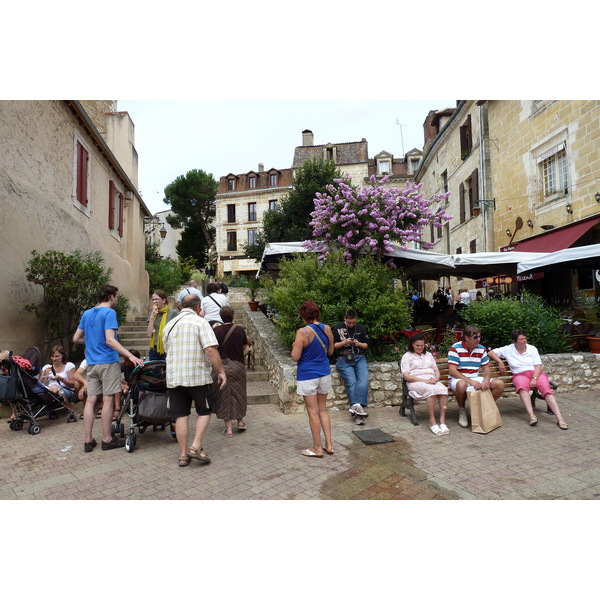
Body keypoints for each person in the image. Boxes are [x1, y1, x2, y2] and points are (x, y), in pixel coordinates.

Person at [73, 284, 144, 452]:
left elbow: (76, 338)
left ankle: (88, 441)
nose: (117, 299)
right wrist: (130, 356)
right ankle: (107, 439)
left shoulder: (87, 313)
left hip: (91, 363)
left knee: (91, 400)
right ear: (111, 296)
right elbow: (110, 340)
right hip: (107, 361)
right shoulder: (109, 313)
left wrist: (91, 340)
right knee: (108, 399)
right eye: (117, 296)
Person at [162, 294, 227, 467]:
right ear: (198, 306)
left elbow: (167, 351)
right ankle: (195, 447)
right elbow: (210, 350)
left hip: (175, 377)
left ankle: (183, 455)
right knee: (205, 411)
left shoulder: (169, 325)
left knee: (181, 415)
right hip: (197, 376)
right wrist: (221, 371)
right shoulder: (200, 322)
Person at [488, 330, 568, 429]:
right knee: (522, 387)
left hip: (535, 373)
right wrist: (500, 362)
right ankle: (532, 416)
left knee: (546, 389)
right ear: (514, 341)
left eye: (525, 338)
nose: (524, 341)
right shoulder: (508, 349)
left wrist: (534, 378)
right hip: (519, 374)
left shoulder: (532, 349)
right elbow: (491, 352)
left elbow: (538, 366)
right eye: (521, 339)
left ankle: (560, 419)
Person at [291, 300, 334, 458]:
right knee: (323, 409)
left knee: (313, 412)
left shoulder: (303, 332)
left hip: (308, 375)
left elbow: (295, 357)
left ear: (303, 315)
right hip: (324, 373)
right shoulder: (327, 328)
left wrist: (295, 345)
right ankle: (329, 445)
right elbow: (330, 351)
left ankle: (317, 448)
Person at [447, 325, 505, 428]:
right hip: (458, 378)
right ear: (466, 338)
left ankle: (484, 410)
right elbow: (452, 371)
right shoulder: (455, 348)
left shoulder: (481, 349)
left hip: (475, 376)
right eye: (475, 337)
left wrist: (486, 380)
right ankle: (462, 411)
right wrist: (471, 382)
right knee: (462, 385)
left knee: (499, 384)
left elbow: (486, 369)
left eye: (479, 337)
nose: (478, 339)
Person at [401, 333, 450, 435]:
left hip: (431, 381)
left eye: (422, 345)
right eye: (417, 345)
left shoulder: (429, 355)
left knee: (443, 390)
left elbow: (436, 370)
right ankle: (432, 422)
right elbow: (406, 376)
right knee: (431, 391)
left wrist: (436, 379)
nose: (420, 347)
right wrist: (423, 381)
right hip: (415, 382)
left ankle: (442, 421)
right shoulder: (407, 356)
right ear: (412, 345)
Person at [211, 306, 248, 437]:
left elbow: (212, 349)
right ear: (233, 316)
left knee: (223, 396)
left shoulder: (216, 331)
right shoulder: (240, 330)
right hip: (237, 365)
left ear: (221, 317)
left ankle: (229, 430)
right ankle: (241, 422)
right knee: (239, 393)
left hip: (221, 367)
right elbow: (245, 346)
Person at [332, 309, 369, 424]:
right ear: (345, 318)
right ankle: (358, 413)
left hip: (359, 357)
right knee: (352, 382)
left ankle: (356, 407)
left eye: (353, 322)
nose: (351, 324)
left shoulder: (361, 328)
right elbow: (333, 346)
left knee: (363, 380)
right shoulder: (337, 328)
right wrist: (345, 343)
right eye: (349, 322)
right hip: (344, 358)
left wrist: (358, 344)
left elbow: (366, 345)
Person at [39, 345, 76, 410]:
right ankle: (69, 410)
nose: (54, 359)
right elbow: (39, 384)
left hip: (66, 390)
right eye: (52, 356)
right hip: (51, 390)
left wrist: (61, 379)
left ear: (62, 355)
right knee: (54, 388)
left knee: (56, 388)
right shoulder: (47, 367)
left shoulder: (69, 365)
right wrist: (43, 376)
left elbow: (73, 384)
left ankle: (66, 409)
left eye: (57, 356)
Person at [146, 289, 179, 361]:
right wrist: (152, 318)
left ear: (164, 300)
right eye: (153, 299)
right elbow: (149, 334)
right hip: (154, 349)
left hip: (168, 348)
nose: (154, 302)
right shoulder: (152, 314)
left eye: (157, 299)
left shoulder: (173, 313)